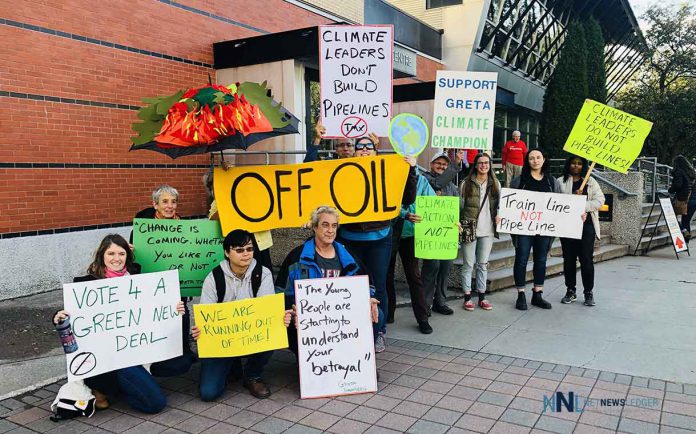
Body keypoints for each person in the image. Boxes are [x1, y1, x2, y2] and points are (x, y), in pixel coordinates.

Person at [52, 234, 190, 414]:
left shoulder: (137, 278)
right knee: (155, 404)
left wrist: (173, 309)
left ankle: (113, 391)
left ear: (128, 256)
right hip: (110, 359)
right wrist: (58, 316)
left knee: (183, 362)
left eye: (121, 253)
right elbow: (74, 316)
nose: (116, 258)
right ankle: (108, 387)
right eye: (111, 253)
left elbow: (153, 308)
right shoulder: (85, 284)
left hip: (137, 351)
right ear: (102, 255)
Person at [191, 230, 293, 401]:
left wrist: (279, 317)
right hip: (223, 342)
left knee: (275, 327)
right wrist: (199, 330)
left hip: (251, 336)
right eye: (239, 250)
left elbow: (266, 313)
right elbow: (205, 316)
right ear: (226, 252)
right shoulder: (214, 277)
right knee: (208, 393)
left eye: (249, 249)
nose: (246, 254)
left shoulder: (263, 273)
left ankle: (252, 375)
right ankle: (232, 365)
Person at [336, 139, 417, 352]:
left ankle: (379, 331)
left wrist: (411, 170)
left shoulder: (388, 170)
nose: (363, 150)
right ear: (353, 152)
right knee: (349, 286)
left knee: (378, 286)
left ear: (375, 151)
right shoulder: (340, 170)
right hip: (349, 239)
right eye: (359, 146)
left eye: (368, 146)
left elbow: (407, 198)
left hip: (379, 239)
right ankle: (351, 328)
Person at [275, 206, 384, 354]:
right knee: (284, 320)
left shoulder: (349, 256)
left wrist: (370, 298)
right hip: (308, 322)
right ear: (314, 227)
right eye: (325, 225)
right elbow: (280, 291)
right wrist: (291, 309)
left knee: (378, 313)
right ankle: (311, 362)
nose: (330, 230)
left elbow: (367, 282)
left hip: (343, 319)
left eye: (334, 226)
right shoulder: (296, 257)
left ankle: (359, 361)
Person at [130, 185, 195, 357]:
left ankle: (184, 349)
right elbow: (133, 259)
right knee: (155, 313)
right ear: (155, 204)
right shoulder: (141, 230)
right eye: (165, 202)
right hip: (152, 283)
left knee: (182, 311)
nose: (170, 206)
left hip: (178, 280)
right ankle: (157, 350)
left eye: (173, 202)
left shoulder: (184, 227)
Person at [510, 148, 561, 310]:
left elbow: (560, 205)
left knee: (541, 260)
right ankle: (521, 294)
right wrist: (501, 214)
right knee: (521, 259)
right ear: (527, 161)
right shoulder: (519, 181)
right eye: (531, 158)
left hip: (544, 229)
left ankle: (537, 294)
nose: (535, 160)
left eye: (538, 157)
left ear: (544, 159)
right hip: (523, 229)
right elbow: (509, 203)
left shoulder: (552, 182)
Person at [386, 168, 434, 334]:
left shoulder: (422, 181)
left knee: (414, 277)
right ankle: (389, 313)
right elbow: (386, 203)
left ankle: (422, 318)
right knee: (387, 275)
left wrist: (450, 221)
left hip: (411, 234)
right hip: (391, 233)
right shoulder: (391, 177)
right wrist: (404, 214)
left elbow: (433, 204)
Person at [557, 157, 605, 306]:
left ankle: (588, 292)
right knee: (569, 259)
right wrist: (571, 201)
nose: (576, 166)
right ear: (568, 164)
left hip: (586, 225)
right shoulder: (560, 181)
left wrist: (582, 206)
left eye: (579, 163)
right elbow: (555, 201)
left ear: (583, 165)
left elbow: (600, 200)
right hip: (567, 225)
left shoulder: (591, 182)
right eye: (573, 163)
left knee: (586, 259)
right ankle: (570, 290)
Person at [459, 153, 501, 311]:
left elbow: (500, 205)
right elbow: (460, 206)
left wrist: (499, 216)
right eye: (480, 163)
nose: (484, 165)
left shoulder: (495, 183)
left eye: (486, 163)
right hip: (469, 227)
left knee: (482, 264)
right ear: (475, 165)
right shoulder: (466, 183)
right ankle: (467, 297)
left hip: (488, 229)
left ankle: (482, 297)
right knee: (468, 264)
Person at [421, 151, 459, 316]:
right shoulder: (425, 178)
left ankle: (440, 301)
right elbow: (437, 183)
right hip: (430, 233)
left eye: (445, 164)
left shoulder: (451, 185)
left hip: (447, 233)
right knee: (432, 267)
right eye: (439, 163)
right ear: (431, 164)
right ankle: (426, 304)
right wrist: (455, 165)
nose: (442, 166)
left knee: (445, 267)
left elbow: (459, 204)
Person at [668, 155, 696, 242]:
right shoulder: (692, 172)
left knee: (671, 217)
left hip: (684, 199)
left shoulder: (679, 171)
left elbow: (677, 185)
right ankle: (685, 242)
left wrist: (670, 190)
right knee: (686, 221)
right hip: (694, 199)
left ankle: (683, 231)